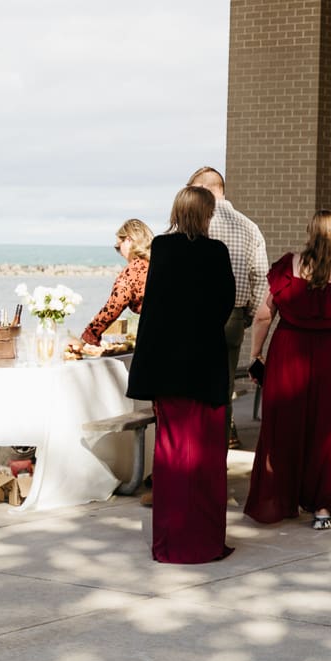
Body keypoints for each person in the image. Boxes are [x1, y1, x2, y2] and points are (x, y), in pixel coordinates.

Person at [243, 211, 331, 528]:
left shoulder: (289, 264)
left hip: (291, 353)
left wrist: (256, 354)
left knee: (288, 425)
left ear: (310, 234)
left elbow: (265, 315)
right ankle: (323, 507)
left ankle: (283, 498)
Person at [123, 187, 237, 564]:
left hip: (168, 368)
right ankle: (204, 542)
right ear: (205, 215)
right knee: (205, 456)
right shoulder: (216, 252)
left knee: (171, 455)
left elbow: (152, 309)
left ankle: (170, 543)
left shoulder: (163, 250)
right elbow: (225, 305)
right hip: (204, 365)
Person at [189, 165, 268, 450]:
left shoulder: (194, 222)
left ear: (202, 189)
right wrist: (246, 314)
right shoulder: (249, 226)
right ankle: (216, 462)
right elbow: (260, 277)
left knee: (192, 390)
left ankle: (191, 455)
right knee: (223, 392)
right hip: (233, 316)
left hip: (195, 318)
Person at [78, 219, 151, 348]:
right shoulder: (159, 262)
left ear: (128, 240)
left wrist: (88, 335)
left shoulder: (134, 270)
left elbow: (113, 306)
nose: (119, 252)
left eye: (118, 246)